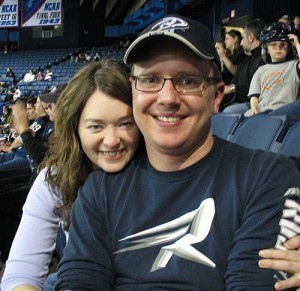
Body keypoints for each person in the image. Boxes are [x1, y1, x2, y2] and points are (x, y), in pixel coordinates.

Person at [55, 15, 300, 290]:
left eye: (188, 81)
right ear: (133, 91)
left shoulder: (267, 178)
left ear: (217, 97)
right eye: (150, 79)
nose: (168, 98)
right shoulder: (100, 191)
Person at [1, 60, 140, 291]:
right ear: (75, 129)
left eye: (125, 123)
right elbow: (20, 275)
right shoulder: (55, 178)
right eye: (96, 126)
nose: (112, 139)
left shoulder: (162, 174)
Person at [244, 22, 300, 116]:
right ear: (266, 49)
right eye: (273, 44)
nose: (278, 48)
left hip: (285, 110)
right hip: (262, 111)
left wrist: (297, 43)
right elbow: (254, 94)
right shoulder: (261, 70)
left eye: (283, 44)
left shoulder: (294, 66)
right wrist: (254, 108)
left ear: (289, 48)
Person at [222, 18, 266, 112]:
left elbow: (255, 88)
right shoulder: (246, 59)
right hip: (239, 100)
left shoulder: (262, 59)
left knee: (228, 111)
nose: (241, 42)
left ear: (251, 37)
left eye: (242, 38)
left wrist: (233, 88)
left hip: (253, 103)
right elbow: (235, 61)